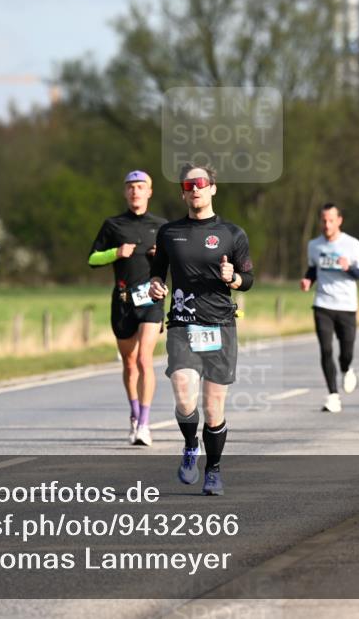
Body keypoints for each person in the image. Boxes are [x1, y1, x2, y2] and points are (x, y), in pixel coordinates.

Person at [149, 163, 253, 496]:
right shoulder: (168, 233)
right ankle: (190, 444)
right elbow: (157, 272)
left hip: (220, 324)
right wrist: (154, 286)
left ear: (213, 188)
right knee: (183, 394)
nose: (195, 189)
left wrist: (232, 278)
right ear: (182, 192)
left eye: (201, 183)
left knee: (213, 407)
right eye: (188, 184)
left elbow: (247, 280)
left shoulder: (232, 234)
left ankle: (214, 470)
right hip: (182, 323)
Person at [89, 170, 167, 446]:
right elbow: (92, 258)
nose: (136, 191)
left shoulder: (162, 226)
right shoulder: (113, 225)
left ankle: (145, 424)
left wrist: (162, 257)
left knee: (145, 358)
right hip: (123, 301)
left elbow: (178, 263)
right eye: (131, 187)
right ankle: (134, 414)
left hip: (152, 300)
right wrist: (115, 253)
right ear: (125, 192)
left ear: (149, 191)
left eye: (141, 186)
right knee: (130, 362)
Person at [300, 204, 359, 413]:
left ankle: (347, 368)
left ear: (339, 221)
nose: (327, 224)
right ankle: (333, 395)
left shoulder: (352, 244)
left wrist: (350, 268)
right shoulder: (314, 245)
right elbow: (314, 268)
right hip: (323, 303)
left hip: (347, 305)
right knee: (326, 348)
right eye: (323, 220)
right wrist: (307, 280)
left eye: (331, 220)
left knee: (346, 351)